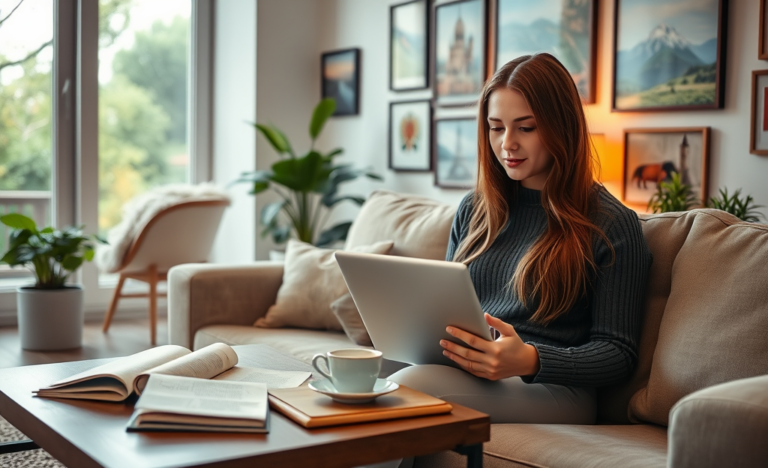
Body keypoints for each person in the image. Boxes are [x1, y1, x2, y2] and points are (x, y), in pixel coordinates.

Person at [388, 53, 652, 425]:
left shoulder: (612, 224)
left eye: (525, 128)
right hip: (473, 371)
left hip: (556, 389)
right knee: (357, 369)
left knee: (405, 389)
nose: (507, 144)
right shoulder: (475, 208)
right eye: (496, 128)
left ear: (561, 127)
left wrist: (530, 358)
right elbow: (445, 307)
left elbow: (618, 353)